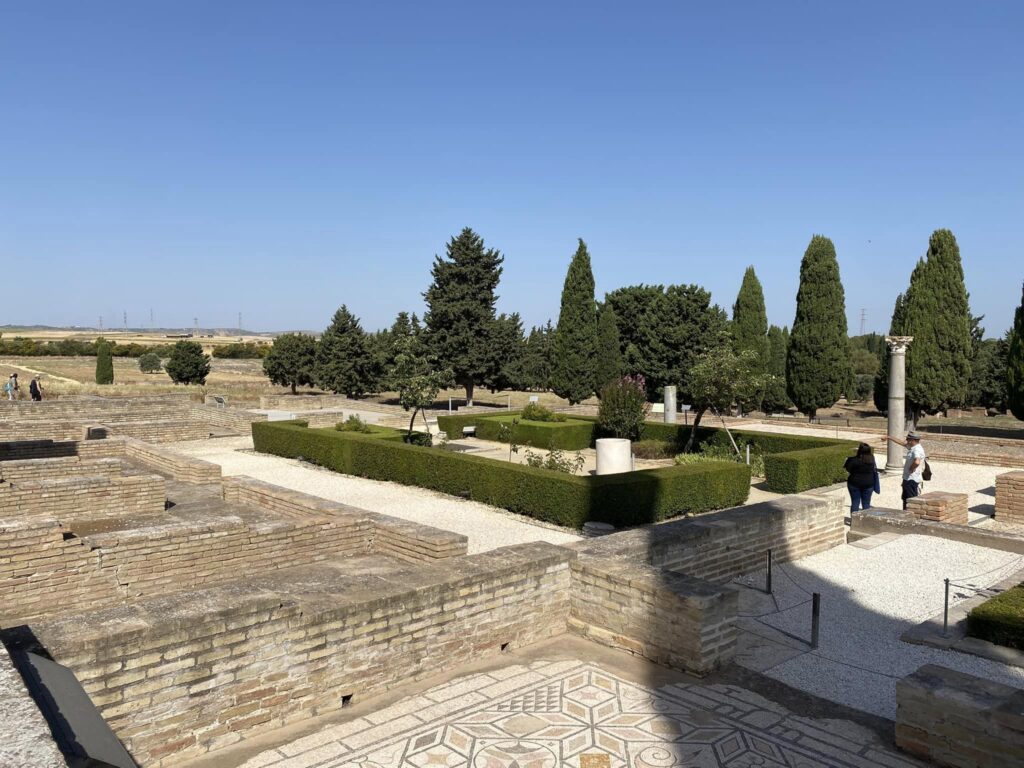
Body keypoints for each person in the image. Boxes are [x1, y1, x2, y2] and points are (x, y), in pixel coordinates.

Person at [884, 431, 926, 509]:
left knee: (911, 501)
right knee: (905, 499)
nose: (906, 441)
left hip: (912, 480)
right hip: (908, 479)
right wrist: (889, 437)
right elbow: (902, 443)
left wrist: (911, 468)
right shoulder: (913, 447)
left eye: (908, 439)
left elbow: (917, 462)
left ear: (912, 440)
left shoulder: (917, 450)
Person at [844, 442, 878, 512]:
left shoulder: (853, 460)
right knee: (866, 504)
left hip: (854, 483)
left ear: (859, 450)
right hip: (868, 483)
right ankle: (864, 521)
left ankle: (854, 521)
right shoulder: (872, 459)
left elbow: (848, 469)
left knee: (855, 503)